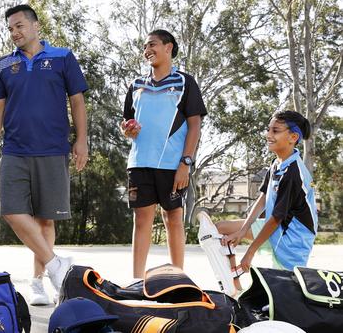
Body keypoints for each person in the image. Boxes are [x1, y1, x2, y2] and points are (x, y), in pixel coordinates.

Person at [0, 4, 89, 305]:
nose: (14, 33)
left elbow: (77, 101)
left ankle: (40, 283)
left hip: (53, 150)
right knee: (11, 211)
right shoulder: (2, 66)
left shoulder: (63, 58)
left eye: (19, 26)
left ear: (36, 25)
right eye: (10, 29)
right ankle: (56, 267)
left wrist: (82, 140)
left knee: (45, 221)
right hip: (14, 150)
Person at [121, 29, 207, 279]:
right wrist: (127, 129)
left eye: (152, 44)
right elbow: (127, 122)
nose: (147, 50)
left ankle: (178, 278)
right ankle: (137, 280)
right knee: (141, 221)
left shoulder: (185, 82)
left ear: (168, 47)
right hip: (139, 163)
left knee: (173, 219)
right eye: (145, 47)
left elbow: (194, 125)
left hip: (172, 164)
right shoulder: (136, 84)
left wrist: (186, 162)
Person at [216, 110, 317, 290]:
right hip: (275, 228)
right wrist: (243, 230)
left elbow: (276, 218)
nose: (268, 135)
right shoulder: (276, 164)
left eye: (275, 131)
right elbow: (263, 198)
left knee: (285, 297)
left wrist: (250, 251)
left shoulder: (294, 173)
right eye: (268, 129)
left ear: (293, 137)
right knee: (220, 229)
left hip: (292, 241)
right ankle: (234, 288)